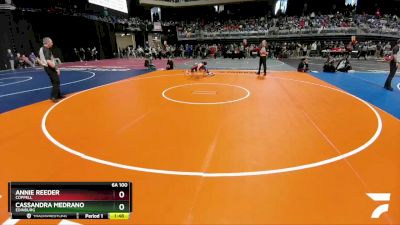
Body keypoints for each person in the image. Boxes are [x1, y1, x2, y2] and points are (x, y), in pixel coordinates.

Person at [39, 37, 63, 102]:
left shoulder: (41, 49)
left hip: (46, 67)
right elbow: (49, 61)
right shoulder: (46, 50)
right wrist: (56, 68)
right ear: (47, 43)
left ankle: (58, 95)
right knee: (56, 81)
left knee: (54, 81)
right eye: (51, 42)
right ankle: (53, 97)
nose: (52, 43)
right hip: (49, 67)